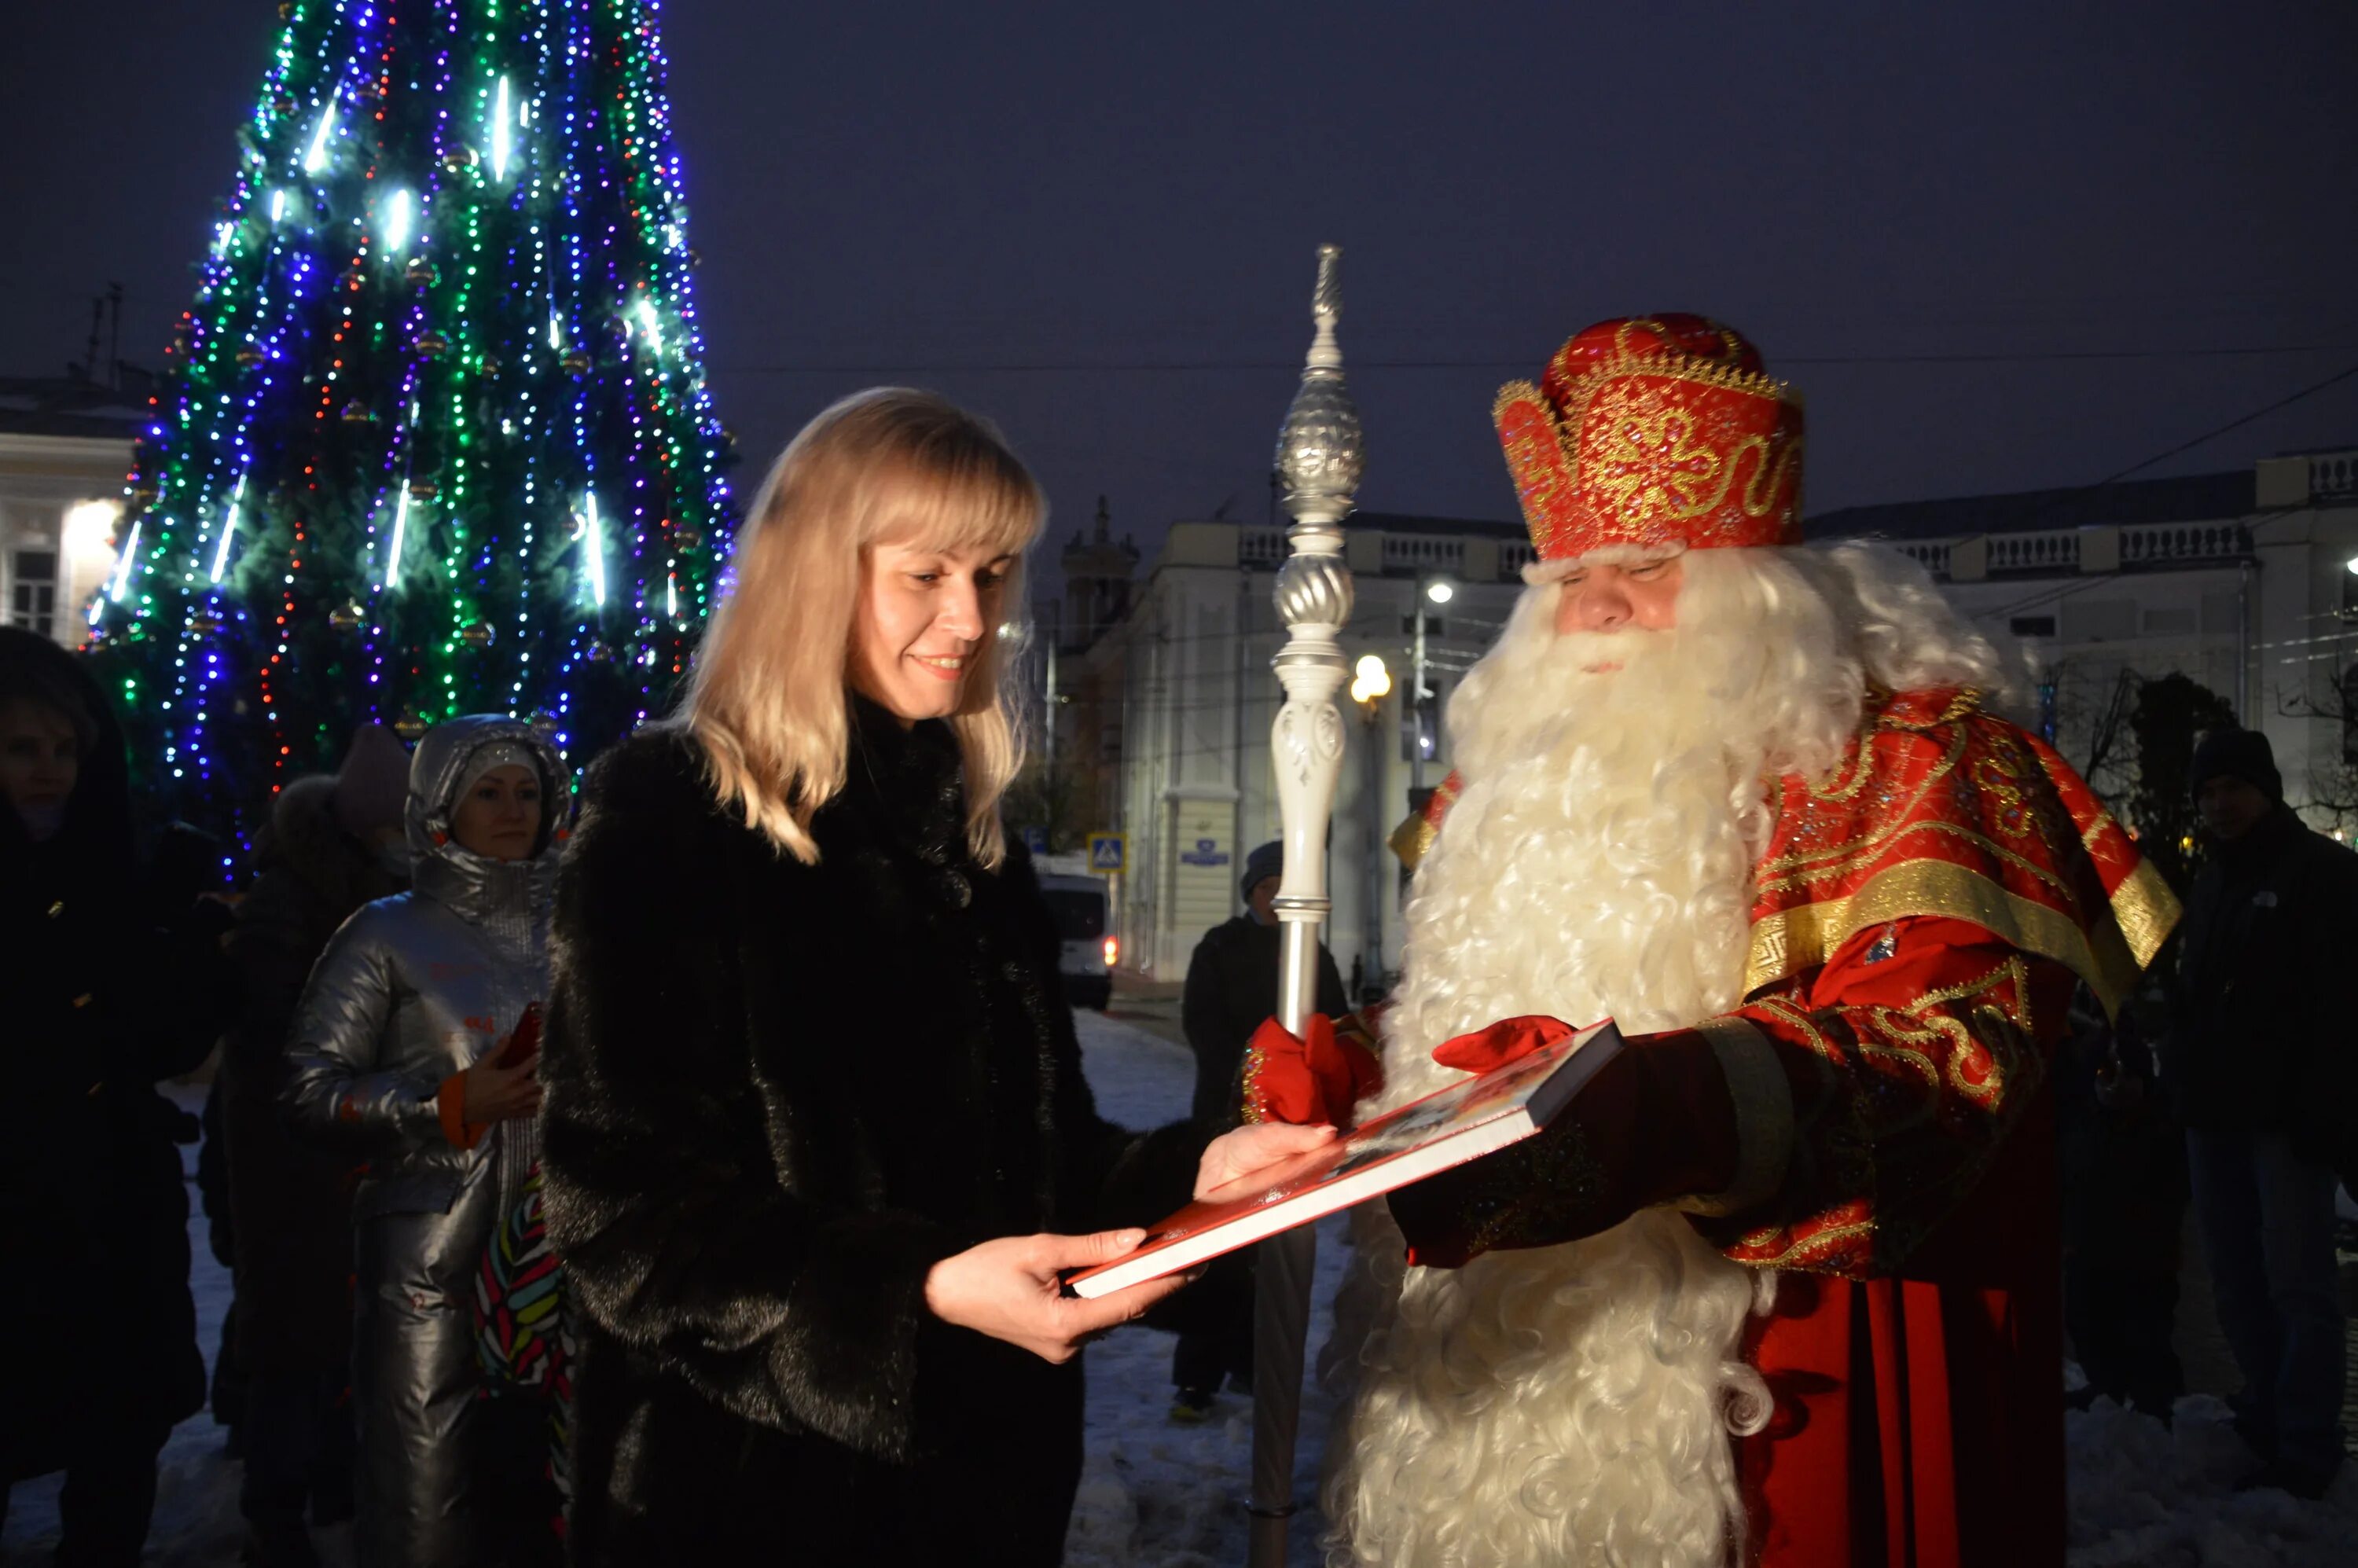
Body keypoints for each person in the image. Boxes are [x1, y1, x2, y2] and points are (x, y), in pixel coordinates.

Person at [1249, 317, 2180, 1566]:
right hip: (1488, 1391)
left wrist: (1655, 1105)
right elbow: (1493, 1007)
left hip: (1783, 1394)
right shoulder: (1504, 786)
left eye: (1645, 559)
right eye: (1562, 576)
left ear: (1764, 585)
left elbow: (1946, 1067)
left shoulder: (1919, 760)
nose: (1596, 603)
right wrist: (1367, 1070)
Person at [536, 387, 1324, 1567]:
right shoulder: (673, 812)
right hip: (746, 1503)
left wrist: (1195, 1172)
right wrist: (918, 1292)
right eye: (927, 574)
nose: (972, 616)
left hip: (980, 1490)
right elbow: (625, 1218)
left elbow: (1043, 1161)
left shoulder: (961, 836)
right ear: (818, 573)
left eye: (995, 575)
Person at [281, 714, 566, 1568]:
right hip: (433, 1261)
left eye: (528, 791)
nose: (514, 809)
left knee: (559, 1490)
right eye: (489, 792)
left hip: (564, 1255)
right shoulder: (386, 932)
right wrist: (443, 1103)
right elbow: (306, 1091)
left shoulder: (581, 929)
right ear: (442, 804)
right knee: (426, 1500)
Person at [0, 626, 233, 1566]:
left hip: (113, 1206)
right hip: (18, 1206)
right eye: (22, 748)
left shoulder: (119, 871)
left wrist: (189, 956)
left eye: (65, 749)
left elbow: (162, 1039)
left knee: (116, 1435)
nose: (49, 770)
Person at [221, 725, 411, 1565]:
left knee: (341, 1330)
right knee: (295, 1337)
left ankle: (331, 1483)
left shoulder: (374, 888)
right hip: (292, 1152)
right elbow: (280, 1029)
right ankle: (277, 1509)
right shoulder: (295, 897)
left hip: (351, 1147)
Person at [2164, 724, 2356, 1497]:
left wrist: (2327, 1107)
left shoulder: (2323, 873)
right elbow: (2196, 996)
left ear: (2265, 789)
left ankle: (2307, 1445)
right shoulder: (2213, 879)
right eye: (2207, 793)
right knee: (2237, 1279)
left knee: (2297, 1280)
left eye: (2233, 788)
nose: (2219, 805)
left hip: (2287, 1118)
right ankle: (2267, 1413)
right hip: (2216, 1114)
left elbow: (2339, 1005)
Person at [1169, 839, 1348, 1419]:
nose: (1275, 898)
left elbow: (1334, 1023)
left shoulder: (1312, 954)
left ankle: (1252, 1366)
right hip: (1225, 1118)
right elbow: (1201, 1022)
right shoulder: (1220, 946)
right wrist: (1251, 1078)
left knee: (1275, 1251)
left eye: (1283, 887)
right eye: (1267, 887)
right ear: (1251, 891)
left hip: (1291, 1124)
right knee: (1216, 1249)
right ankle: (1195, 1380)